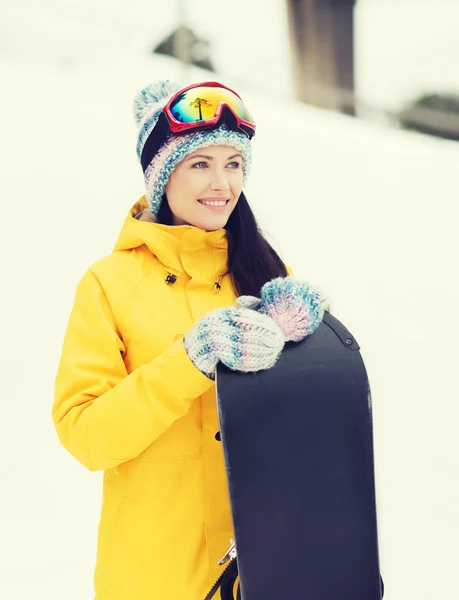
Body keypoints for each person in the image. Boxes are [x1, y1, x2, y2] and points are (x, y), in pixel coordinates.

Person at [52, 80, 328, 599]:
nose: (221, 182)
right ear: (161, 175)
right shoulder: (109, 284)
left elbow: (310, 435)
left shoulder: (266, 275)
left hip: (263, 572)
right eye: (200, 163)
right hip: (153, 578)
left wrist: (310, 352)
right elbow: (85, 436)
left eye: (234, 163)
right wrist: (189, 361)